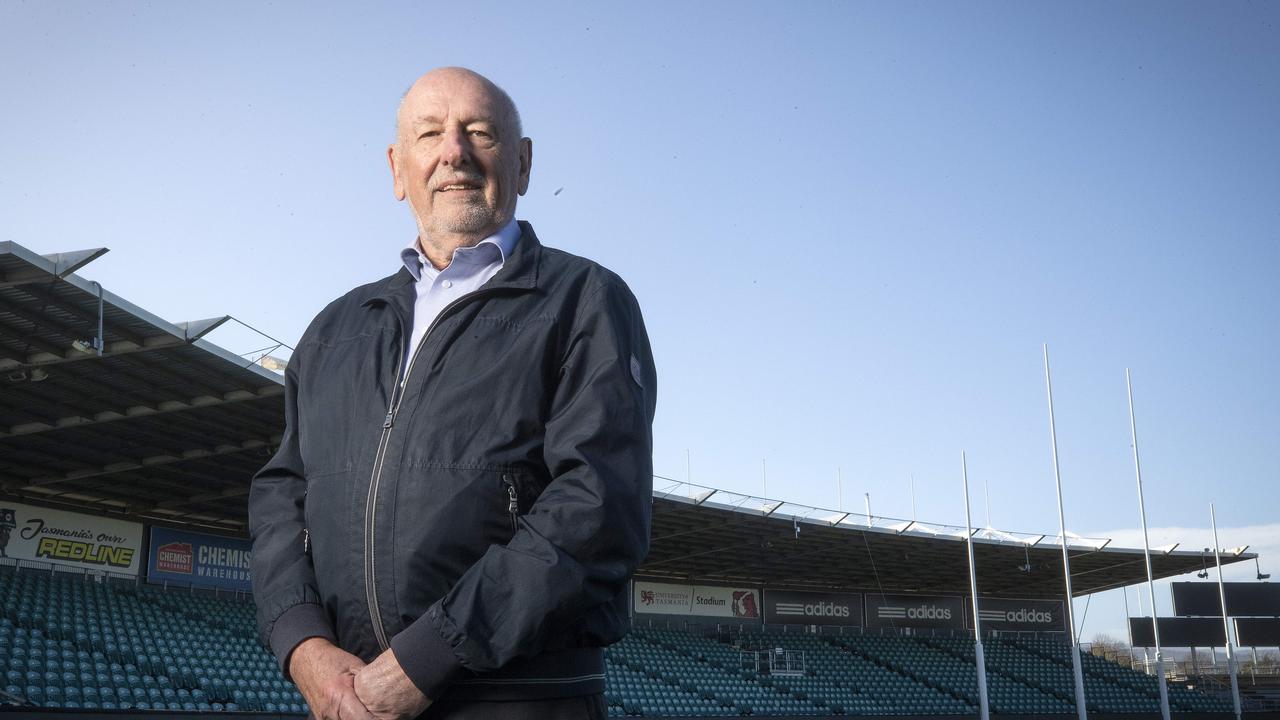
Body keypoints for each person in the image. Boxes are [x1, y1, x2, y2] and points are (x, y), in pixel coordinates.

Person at [249, 67, 657, 720]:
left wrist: (430, 655)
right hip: (347, 704)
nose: (454, 152)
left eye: (480, 132)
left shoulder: (585, 301)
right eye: (430, 133)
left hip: (517, 700)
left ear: (522, 163)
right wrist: (303, 645)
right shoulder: (334, 329)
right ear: (397, 167)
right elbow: (281, 498)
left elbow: (598, 504)